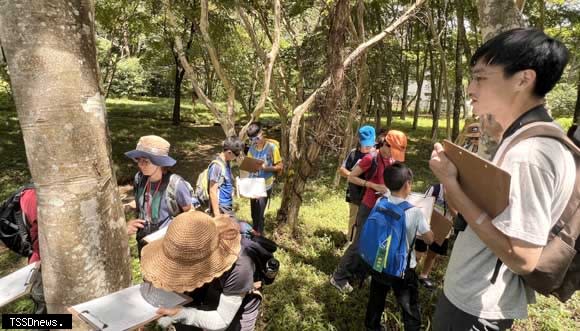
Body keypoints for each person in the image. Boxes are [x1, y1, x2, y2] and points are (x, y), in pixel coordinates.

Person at [429, 28, 574, 330]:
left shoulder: (531, 154)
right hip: (476, 297)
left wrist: (452, 184)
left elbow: (523, 258)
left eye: (481, 78)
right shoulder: (532, 138)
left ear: (523, 79)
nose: (470, 88)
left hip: (477, 306)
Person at [141, 211, 262, 331]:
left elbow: (221, 320)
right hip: (211, 289)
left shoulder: (240, 269)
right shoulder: (196, 239)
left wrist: (183, 314)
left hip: (238, 303)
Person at [330, 130, 408, 293]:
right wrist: (372, 185)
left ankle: (358, 273)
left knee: (374, 244)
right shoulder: (370, 158)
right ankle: (338, 277)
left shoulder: (391, 159)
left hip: (384, 207)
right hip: (368, 206)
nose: (394, 155)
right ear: (385, 144)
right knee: (358, 244)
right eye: (393, 150)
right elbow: (351, 177)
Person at [364, 162, 434, 331]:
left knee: (376, 298)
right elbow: (430, 239)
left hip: (380, 261)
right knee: (409, 305)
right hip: (403, 268)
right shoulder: (415, 212)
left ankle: (372, 326)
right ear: (407, 185)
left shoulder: (380, 201)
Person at [125, 135, 193, 254]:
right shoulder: (139, 179)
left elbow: (190, 212)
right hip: (143, 243)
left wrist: (173, 230)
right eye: (138, 160)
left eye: (145, 161)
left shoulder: (176, 185)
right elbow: (142, 201)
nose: (140, 165)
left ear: (160, 163)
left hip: (167, 246)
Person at [339, 125, 376, 241]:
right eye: (365, 144)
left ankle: (363, 243)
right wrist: (352, 176)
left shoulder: (376, 156)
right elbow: (342, 170)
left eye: (370, 145)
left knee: (367, 219)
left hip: (370, 195)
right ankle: (350, 240)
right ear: (359, 141)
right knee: (353, 218)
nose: (367, 147)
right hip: (355, 193)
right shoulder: (353, 154)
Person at [246, 122, 283, 234]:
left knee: (259, 213)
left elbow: (280, 166)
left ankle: (259, 237)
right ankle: (255, 233)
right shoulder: (252, 149)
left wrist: (267, 168)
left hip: (265, 185)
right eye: (252, 140)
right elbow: (249, 167)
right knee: (253, 214)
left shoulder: (272, 148)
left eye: (256, 138)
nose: (255, 142)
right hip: (254, 185)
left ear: (262, 133)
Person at [208, 137, 245, 217]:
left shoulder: (226, 161)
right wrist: (217, 215)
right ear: (229, 152)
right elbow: (212, 191)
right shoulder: (216, 167)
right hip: (221, 207)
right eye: (237, 155)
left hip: (227, 205)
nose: (237, 157)